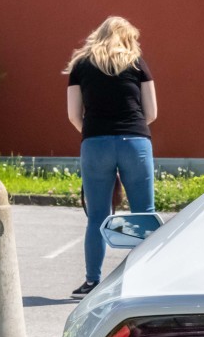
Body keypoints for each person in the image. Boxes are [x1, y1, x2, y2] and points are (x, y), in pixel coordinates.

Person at [64, 16, 157, 298]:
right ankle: (144, 280)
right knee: (144, 213)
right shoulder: (137, 63)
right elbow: (151, 112)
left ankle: (92, 282)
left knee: (97, 216)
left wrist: (95, 132)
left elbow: (72, 114)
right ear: (127, 38)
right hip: (135, 143)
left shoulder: (81, 66)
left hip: (95, 144)